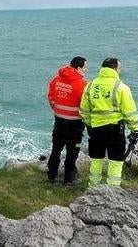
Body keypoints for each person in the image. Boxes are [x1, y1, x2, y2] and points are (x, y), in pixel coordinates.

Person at [79, 57, 138, 187]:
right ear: (114, 69)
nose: (120, 70)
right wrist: (135, 130)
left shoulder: (90, 85)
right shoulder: (121, 87)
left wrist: (89, 125)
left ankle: (93, 187)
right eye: (119, 68)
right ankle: (113, 189)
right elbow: (130, 112)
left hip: (96, 129)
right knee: (116, 161)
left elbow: (84, 109)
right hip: (115, 129)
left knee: (96, 159)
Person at [46, 56, 89, 185]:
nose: (86, 70)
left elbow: (51, 95)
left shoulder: (56, 79)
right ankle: (69, 178)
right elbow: (86, 104)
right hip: (75, 124)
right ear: (79, 67)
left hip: (59, 121)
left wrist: (56, 108)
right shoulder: (83, 84)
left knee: (56, 149)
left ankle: (51, 175)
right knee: (72, 151)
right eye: (85, 67)